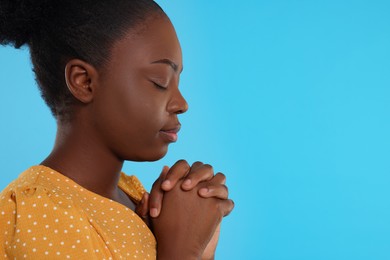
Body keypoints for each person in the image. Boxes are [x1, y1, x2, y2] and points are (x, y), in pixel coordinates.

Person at [0, 1, 234, 259]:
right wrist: (183, 249)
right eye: (160, 82)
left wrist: (200, 245)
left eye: (177, 83)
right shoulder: (40, 213)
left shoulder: (132, 196)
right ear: (84, 81)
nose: (182, 103)